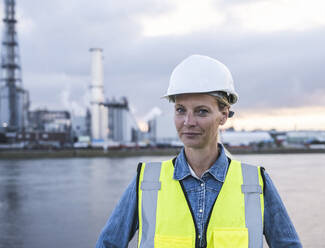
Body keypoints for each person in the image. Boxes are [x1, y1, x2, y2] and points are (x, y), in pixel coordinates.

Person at [96, 55, 302, 248]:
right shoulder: (146, 182)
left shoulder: (255, 183)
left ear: (223, 115)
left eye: (201, 111)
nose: (188, 122)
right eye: (180, 110)